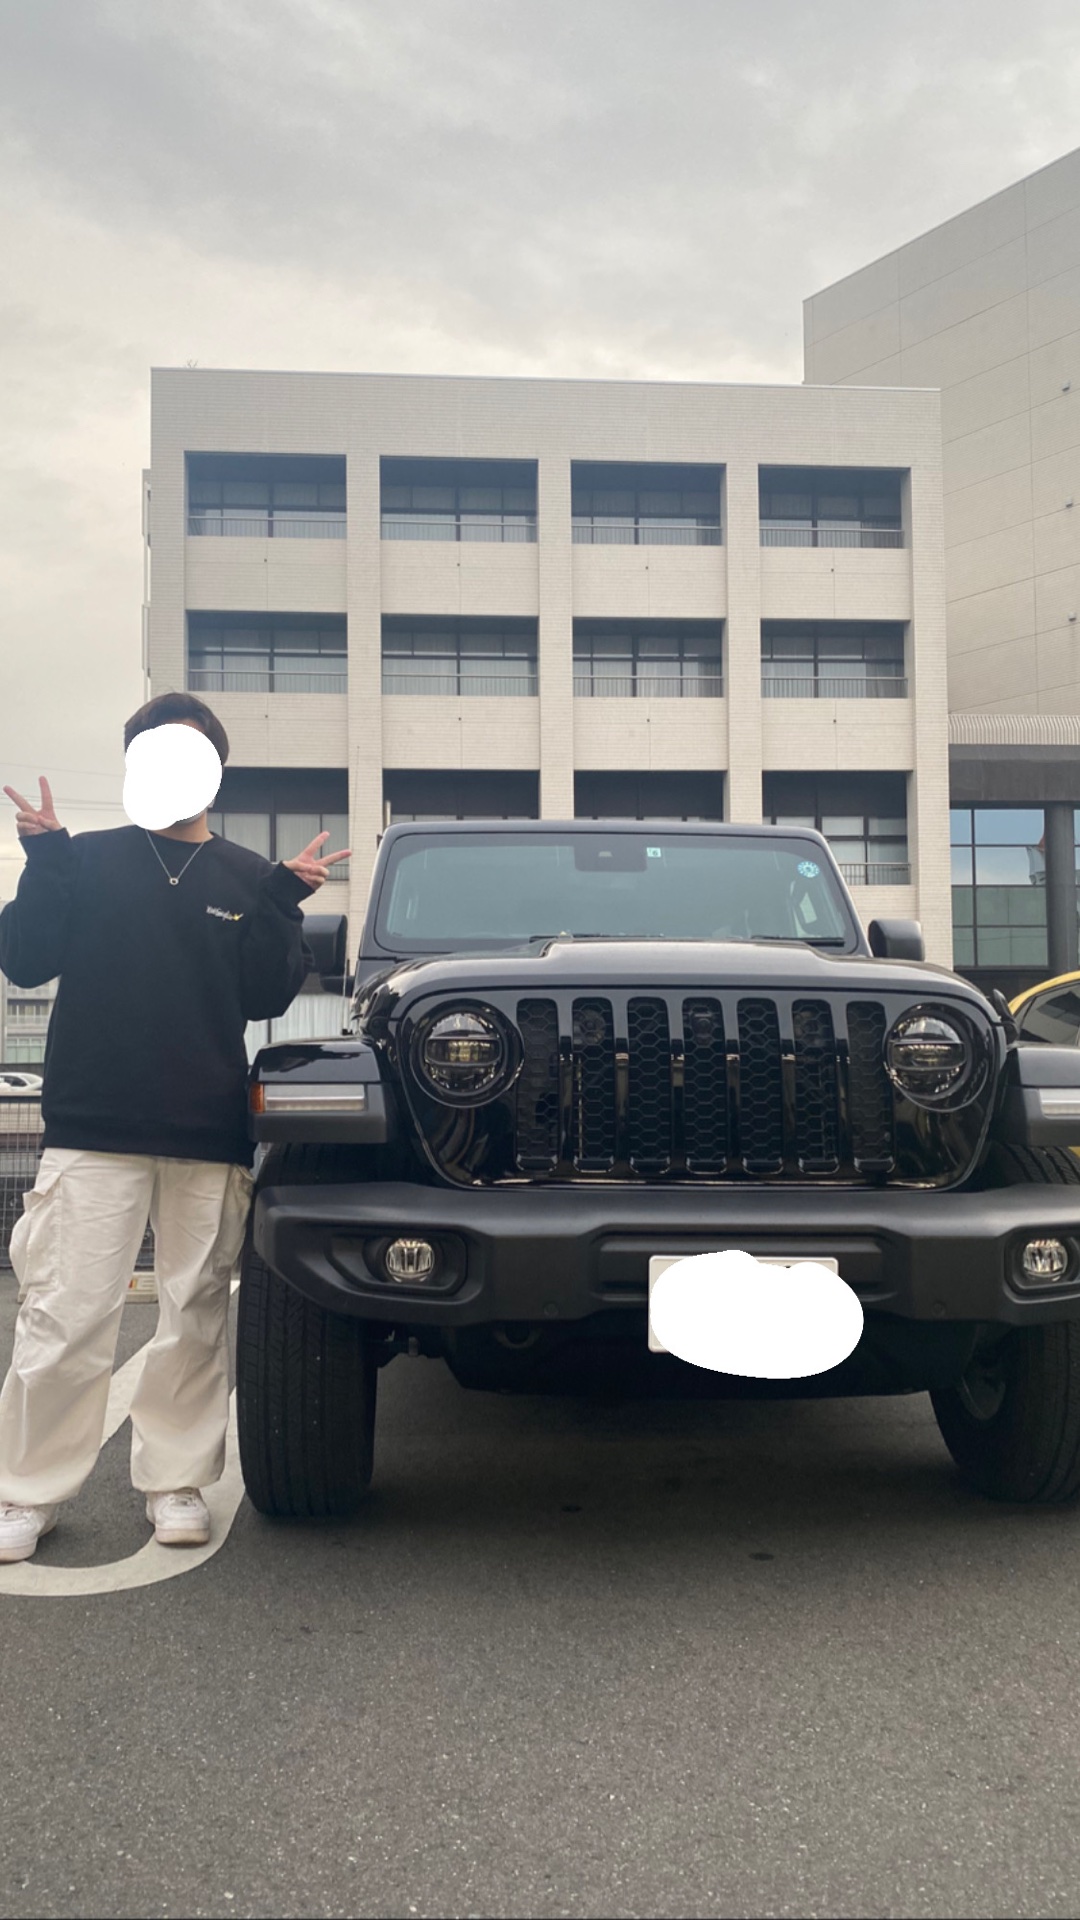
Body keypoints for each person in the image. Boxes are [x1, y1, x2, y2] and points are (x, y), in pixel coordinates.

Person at [0, 691, 351, 1562]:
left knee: (193, 1314)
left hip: (205, 1127)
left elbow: (266, 995)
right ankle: (26, 1492)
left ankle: (177, 1482)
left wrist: (282, 901)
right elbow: (24, 959)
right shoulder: (82, 858)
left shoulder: (247, 875)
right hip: (91, 1125)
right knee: (63, 1315)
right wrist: (44, 860)